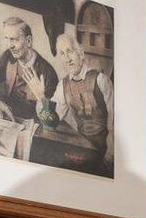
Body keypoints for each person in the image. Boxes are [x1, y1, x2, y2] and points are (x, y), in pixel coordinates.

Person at [48, 25, 113, 172]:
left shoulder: (101, 80)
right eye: (62, 54)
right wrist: (40, 95)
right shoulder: (63, 85)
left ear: (81, 54)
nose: (67, 59)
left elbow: (114, 123)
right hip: (81, 146)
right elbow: (53, 119)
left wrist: (111, 153)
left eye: (70, 51)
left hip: (105, 151)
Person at [0, 16, 57, 123]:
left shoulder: (48, 73)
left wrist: (41, 96)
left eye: (14, 39)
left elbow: (51, 120)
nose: (10, 46)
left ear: (28, 41)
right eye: (7, 39)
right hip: (8, 121)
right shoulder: (8, 57)